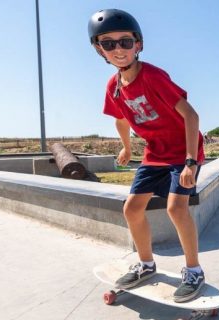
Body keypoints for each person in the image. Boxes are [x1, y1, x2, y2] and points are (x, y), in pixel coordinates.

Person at [88, 9, 206, 302]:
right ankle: (146, 264)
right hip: (155, 153)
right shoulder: (113, 86)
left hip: (183, 150)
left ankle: (194, 271)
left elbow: (191, 116)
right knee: (131, 209)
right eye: (109, 43)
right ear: (98, 49)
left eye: (125, 42)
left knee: (176, 209)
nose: (118, 49)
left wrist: (191, 162)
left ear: (138, 45)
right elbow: (120, 118)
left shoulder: (153, 76)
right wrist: (127, 147)